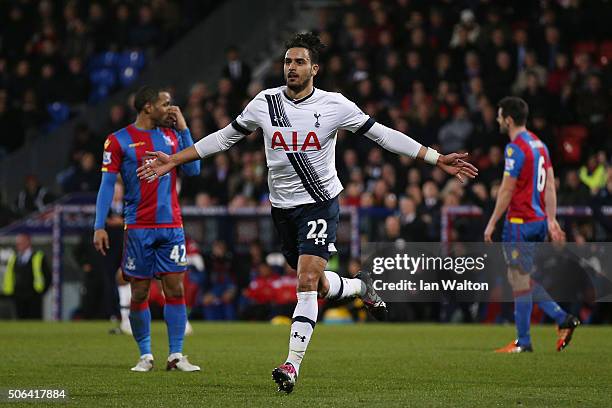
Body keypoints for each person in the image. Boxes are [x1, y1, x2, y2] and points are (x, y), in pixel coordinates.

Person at [137, 33, 478, 393]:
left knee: (305, 283)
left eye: (299, 62)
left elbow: (382, 135)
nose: (292, 68)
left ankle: (291, 365)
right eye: (287, 62)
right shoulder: (264, 103)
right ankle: (361, 286)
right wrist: (173, 160)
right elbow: (224, 138)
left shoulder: (334, 105)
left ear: (314, 68)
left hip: (320, 203)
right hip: (282, 209)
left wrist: (435, 157)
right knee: (316, 283)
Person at [93, 86, 201, 372]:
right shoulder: (118, 140)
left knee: (175, 289)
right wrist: (99, 226)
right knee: (139, 292)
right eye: (166, 104)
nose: (171, 108)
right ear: (147, 107)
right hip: (139, 227)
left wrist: (185, 129)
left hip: (171, 226)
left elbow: (193, 171)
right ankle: (145, 355)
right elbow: (106, 186)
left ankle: (176, 355)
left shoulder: (172, 135)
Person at [484, 96, 580, 353]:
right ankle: (550, 326)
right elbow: (549, 185)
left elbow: (506, 189)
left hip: (519, 221)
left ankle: (536, 334)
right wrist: (550, 219)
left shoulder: (515, 148)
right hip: (537, 221)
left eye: (499, 115)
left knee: (519, 279)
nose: (497, 120)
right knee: (519, 278)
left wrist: (492, 222)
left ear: (509, 119)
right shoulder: (540, 145)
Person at [1, 233, 51, 319]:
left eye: (21, 242)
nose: (18, 245)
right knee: (20, 319)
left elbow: (48, 276)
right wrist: (10, 292)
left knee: (34, 320)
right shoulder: (13, 258)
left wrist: (41, 292)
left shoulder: (38, 257)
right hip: (18, 295)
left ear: (28, 242)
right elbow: (9, 276)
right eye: (17, 242)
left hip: (34, 295)